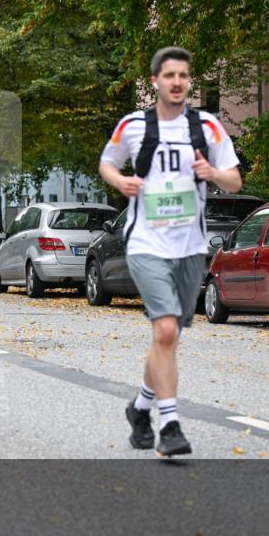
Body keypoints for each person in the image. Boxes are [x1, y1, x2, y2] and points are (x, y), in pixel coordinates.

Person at [99, 46, 242, 457]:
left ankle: (140, 406)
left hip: (190, 247)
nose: (177, 82)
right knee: (163, 330)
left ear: (189, 81)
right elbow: (107, 162)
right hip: (146, 242)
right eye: (169, 76)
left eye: (183, 76)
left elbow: (234, 181)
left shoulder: (208, 127)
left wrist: (212, 174)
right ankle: (171, 424)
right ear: (155, 81)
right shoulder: (133, 126)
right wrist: (121, 181)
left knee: (168, 337)